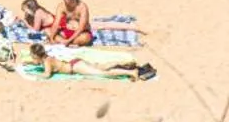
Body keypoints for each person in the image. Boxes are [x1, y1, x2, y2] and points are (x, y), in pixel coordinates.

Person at [25, 42, 153, 80]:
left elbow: (47, 75)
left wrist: (33, 74)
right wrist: (28, 63)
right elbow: (37, 63)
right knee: (102, 67)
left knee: (103, 73)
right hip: (76, 62)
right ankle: (126, 64)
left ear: (37, 55)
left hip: (76, 68)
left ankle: (132, 72)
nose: (31, 58)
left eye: (32, 56)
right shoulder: (47, 58)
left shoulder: (47, 62)